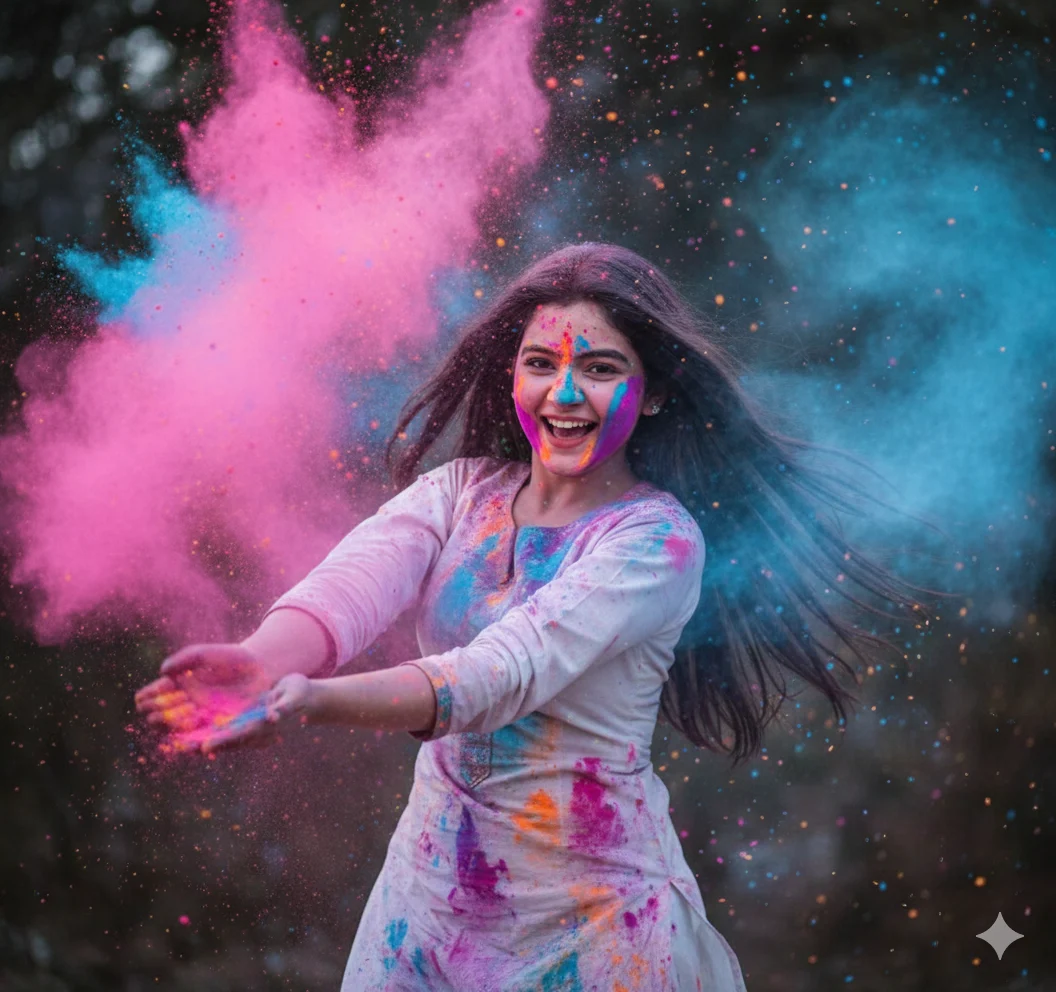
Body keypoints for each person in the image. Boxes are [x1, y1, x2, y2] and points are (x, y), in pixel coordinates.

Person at [136, 243, 924, 991]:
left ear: (651, 392)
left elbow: (497, 674)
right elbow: (348, 588)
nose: (565, 393)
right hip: (425, 918)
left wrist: (310, 701)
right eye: (541, 364)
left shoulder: (657, 541)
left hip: (597, 933)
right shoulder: (459, 492)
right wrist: (265, 663)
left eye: (601, 368)